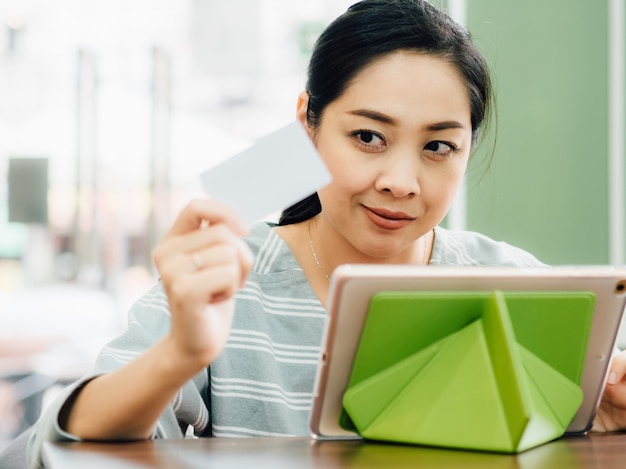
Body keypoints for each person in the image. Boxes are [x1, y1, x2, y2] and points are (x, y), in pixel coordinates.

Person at [20, 0, 626, 467]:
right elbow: (64, 439)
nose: (401, 181)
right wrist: (182, 354)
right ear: (308, 125)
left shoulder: (518, 288)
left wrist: (598, 417)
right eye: (367, 137)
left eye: (439, 146)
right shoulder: (229, 279)